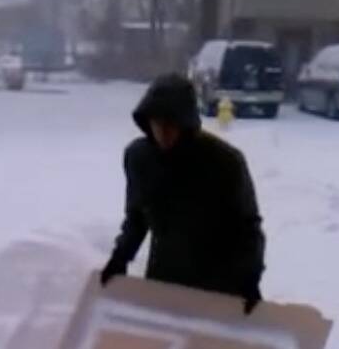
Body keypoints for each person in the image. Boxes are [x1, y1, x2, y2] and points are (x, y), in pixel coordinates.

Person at [100, 73, 265, 314]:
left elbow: (248, 228)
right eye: (157, 123)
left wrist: (249, 280)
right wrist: (120, 257)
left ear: (185, 123)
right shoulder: (140, 158)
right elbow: (137, 216)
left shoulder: (224, 162)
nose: (163, 132)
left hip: (217, 280)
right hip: (164, 278)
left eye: (171, 124)